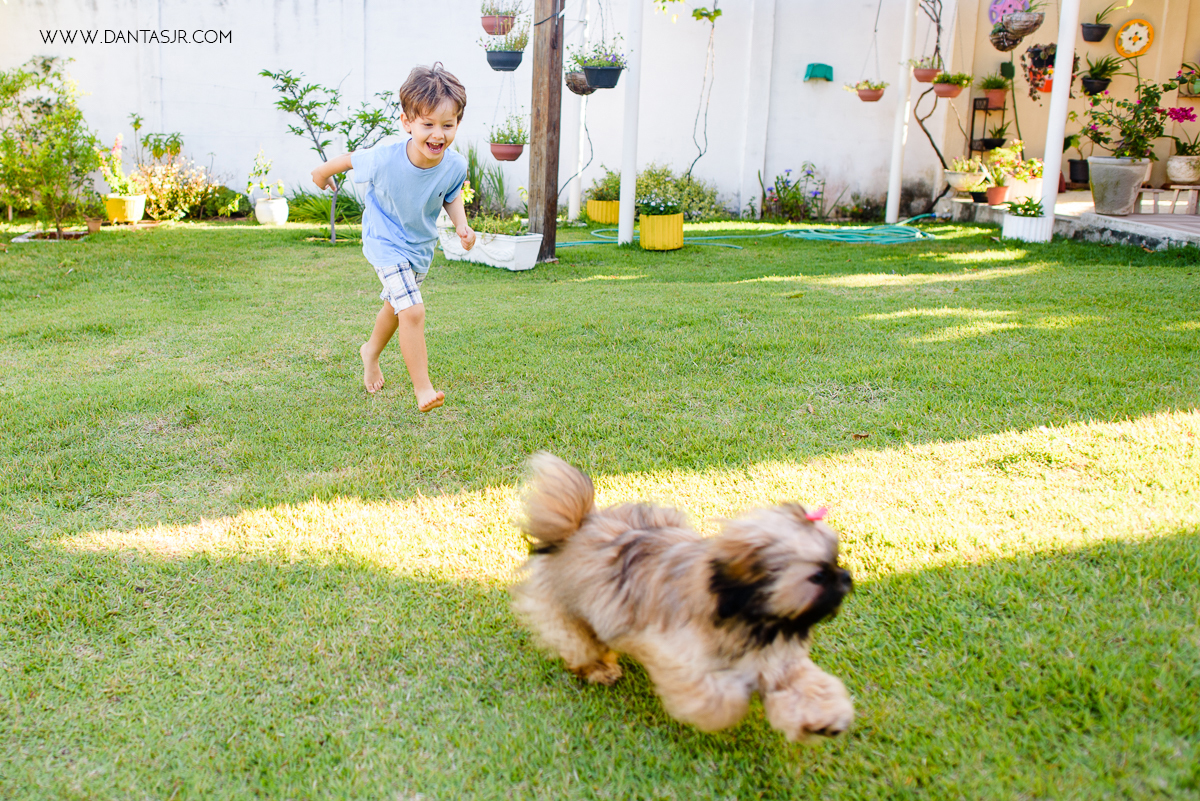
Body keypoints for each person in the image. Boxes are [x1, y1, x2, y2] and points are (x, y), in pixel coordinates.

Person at [311, 63, 475, 413]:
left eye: (447, 125)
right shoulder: (385, 158)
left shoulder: (455, 165)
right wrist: (321, 173)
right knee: (412, 311)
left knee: (395, 307)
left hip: (418, 247)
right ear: (407, 122)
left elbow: (450, 195)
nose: (438, 134)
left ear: (457, 124)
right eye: (428, 124)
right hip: (384, 240)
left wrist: (461, 225)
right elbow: (348, 161)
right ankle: (423, 388)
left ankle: (370, 351)